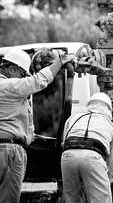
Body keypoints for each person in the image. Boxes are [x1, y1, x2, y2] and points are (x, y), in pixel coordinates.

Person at [0, 48, 74, 203]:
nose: (23, 79)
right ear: (12, 69)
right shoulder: (8, 85)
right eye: (23, 75)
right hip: (8, 151)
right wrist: (59, 62)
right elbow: (37, 81)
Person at [61, 92, 113, 203]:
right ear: (108, 109)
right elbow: (112, 161)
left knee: (72, 199)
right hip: (93, 156)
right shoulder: (111, 126)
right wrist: (108, 179)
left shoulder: (72, 118)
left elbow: (64, 142)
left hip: (68, 156)